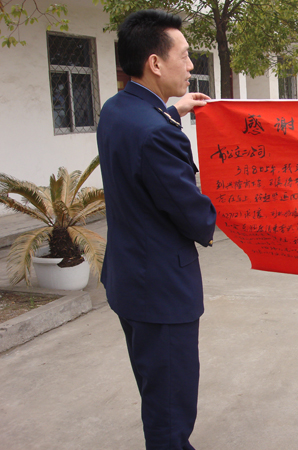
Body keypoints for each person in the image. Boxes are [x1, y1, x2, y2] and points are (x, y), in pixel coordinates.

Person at [96, 9, 217, 450]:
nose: (190, 64)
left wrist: (173, 111)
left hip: (129, 280)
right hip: (161, 292)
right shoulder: (158, 134)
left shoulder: (116, 109)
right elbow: (196, 217)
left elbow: (146, 135)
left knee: (156, 389)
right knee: (169, 408)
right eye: (183, 55)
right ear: (155, 63)